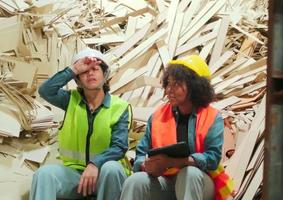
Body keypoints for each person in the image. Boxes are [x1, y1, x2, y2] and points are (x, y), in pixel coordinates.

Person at [120, 55, 233, 200]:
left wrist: (172, 162)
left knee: (189, 174)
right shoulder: (157, 117)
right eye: (168, 84)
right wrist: (146, 165)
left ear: (195, 86)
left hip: (200, 183)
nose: (169, 90)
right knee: (135, 181)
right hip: (166, 181)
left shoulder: (212, 117)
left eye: (176, 85)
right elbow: (141, 154)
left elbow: (212, 159)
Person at [30, 48, 132, 200]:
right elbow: (45, 91)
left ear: (104, 75)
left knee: (112, 168)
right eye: (84, 71)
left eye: (95, 69)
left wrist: (95, 164)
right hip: (75, 176)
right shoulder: (70, 100)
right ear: (77, 80)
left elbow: (119, 147)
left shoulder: (120, 107)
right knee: (43, 175)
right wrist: (73, 69)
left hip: (104, 176)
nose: (90, 73)